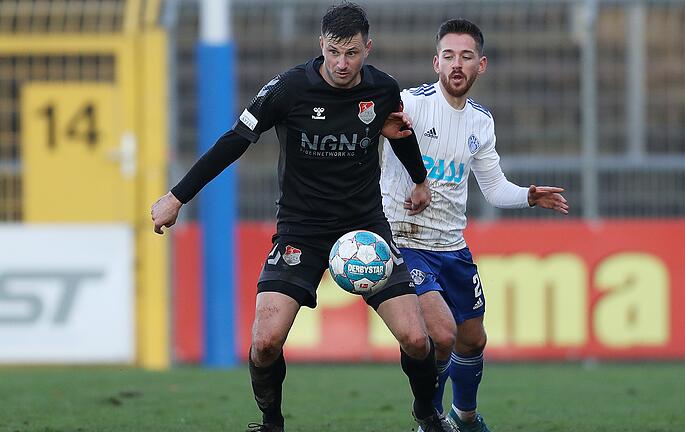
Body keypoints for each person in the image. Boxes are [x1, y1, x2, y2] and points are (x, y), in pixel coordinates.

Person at [151, 3, 457, 432]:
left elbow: (400, 133)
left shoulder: (384, 89)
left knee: (416, 338)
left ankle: (427, 414)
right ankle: (271, 423)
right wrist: (177, 196)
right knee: (265, 341)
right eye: (334, 52)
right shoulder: (287, 89)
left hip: (365, 228)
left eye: (352, 53)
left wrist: (420, 181)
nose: (342, 63)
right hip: (301, 230)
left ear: (367, 48)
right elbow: (234, 141)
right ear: (321, 46)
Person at [380, 18, 569, 432]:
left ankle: (463, 416)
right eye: (448, 56)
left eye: (466, 57)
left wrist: (529, 196)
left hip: (452, 247)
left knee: (473, 340)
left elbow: (495, 187)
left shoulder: (480, 121)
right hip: (406, 240)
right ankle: (428, 418)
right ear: (436, 62)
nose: (457, 65)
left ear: (480, 65)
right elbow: (370, 132)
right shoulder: (410, 104)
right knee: (442, 336)